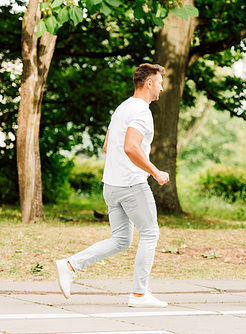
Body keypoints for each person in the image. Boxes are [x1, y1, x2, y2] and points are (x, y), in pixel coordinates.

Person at [55, 63, 170, 307]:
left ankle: (70, 265)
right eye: (160, 82)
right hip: (131, 185)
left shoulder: (122, 107)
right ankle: (139, 294)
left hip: (112, 185)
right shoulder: (142, 110)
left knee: (120, 240)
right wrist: (155, 171)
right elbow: (130, 146)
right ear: (149, 83)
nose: (162, 87)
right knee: (150, 233)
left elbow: (109, 146)